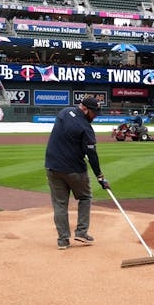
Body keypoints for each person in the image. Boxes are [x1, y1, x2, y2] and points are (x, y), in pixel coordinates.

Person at [45, 96, 109, 250]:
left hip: (52, 166)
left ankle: (63, 240)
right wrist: (100, 177)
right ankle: (81, 232)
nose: (95, 116)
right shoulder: (86, 128)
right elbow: (92, 155)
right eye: (94, 113)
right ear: (84, 108)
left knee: (60, 204)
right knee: (85, 197)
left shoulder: (64, 112)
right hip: (74, 170)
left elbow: (65, 134)